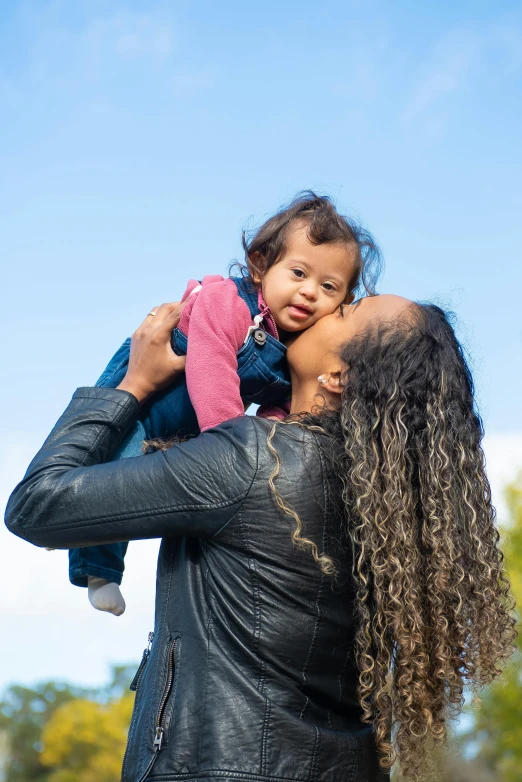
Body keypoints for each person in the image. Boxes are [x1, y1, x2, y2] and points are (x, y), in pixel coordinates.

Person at [5, 295, 516, 782]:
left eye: (347, 309)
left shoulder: (255, 459)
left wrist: (132, 386)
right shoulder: (391, 512)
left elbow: (38, 504)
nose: (324, 305)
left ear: (337, 376)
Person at [68, 191, 382, 617]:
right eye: (298, 273)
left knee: (142, 479)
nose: (309, 292)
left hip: (192, 426)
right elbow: (211, 366)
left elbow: (279, 405)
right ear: (259, 266)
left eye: (328, 287)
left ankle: (89, 539)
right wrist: (233, 442)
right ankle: (98, 570)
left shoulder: (290, 346)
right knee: (113, 465)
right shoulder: (227, 303)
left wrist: (272, 439)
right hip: (155, 395)